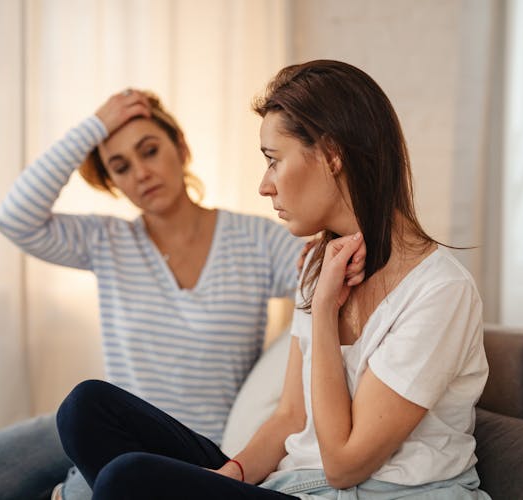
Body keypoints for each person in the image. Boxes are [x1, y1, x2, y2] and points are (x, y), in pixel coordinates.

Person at [55, 60, 491, 499]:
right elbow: (289, 417)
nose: (265, 186)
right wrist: (231, 477)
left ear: (332, 155)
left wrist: (323, 311)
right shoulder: (321, 266)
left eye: (273, 161)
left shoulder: (439, 291)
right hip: (290, 485)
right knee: (85, 408)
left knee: (123, 480)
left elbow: (343, 465)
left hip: (365, 493)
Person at [0, 89, 322, 500]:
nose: (141, 173)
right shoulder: (107, 242)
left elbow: (318, 274)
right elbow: (15, 219)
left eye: (150, 151)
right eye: (120, 166)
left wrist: (326, 260)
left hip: (187, 446)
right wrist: (94, 127)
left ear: (180, 147)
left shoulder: (256, 241)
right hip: (108, 422)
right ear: (112, 182)